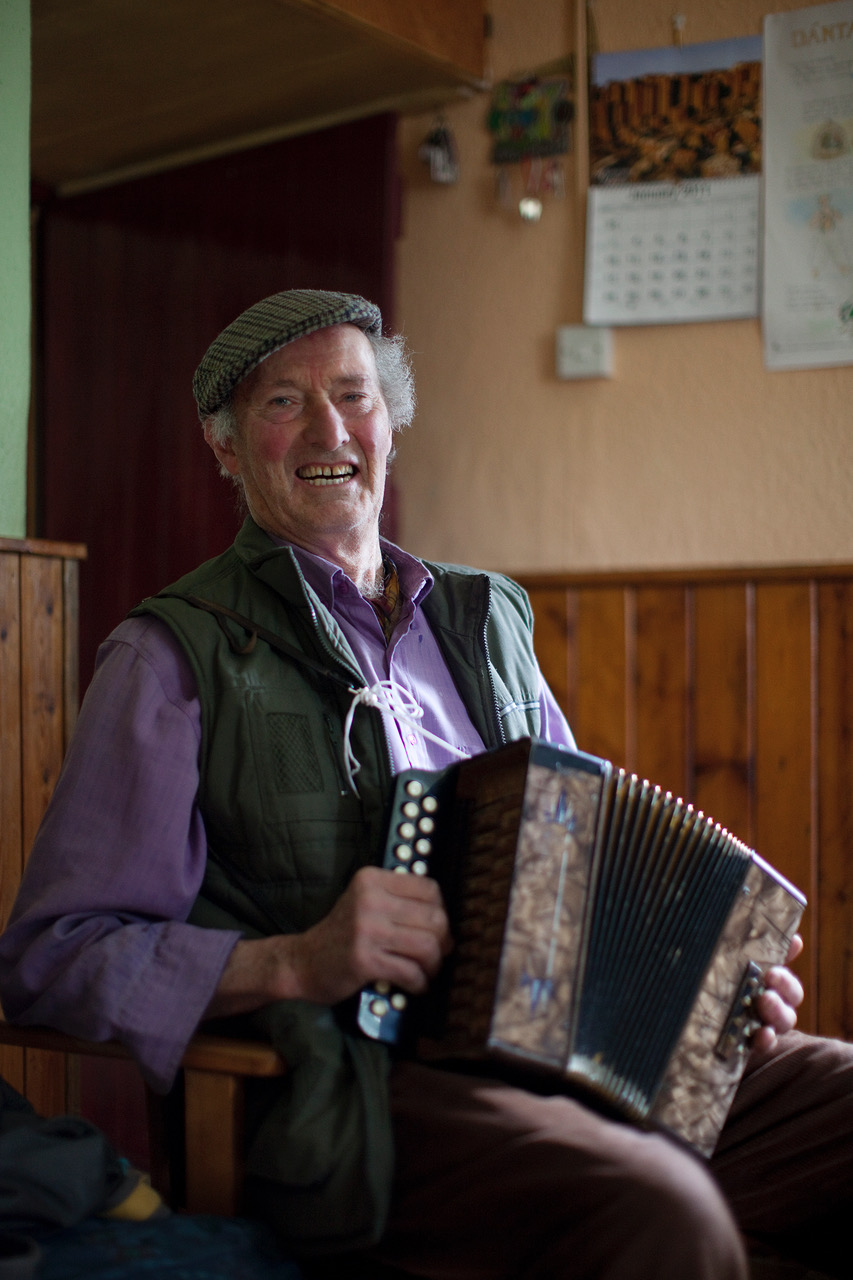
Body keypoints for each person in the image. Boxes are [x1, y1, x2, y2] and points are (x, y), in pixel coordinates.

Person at [0, 289, 850, 1280]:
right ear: (225, 446)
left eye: (353, 395)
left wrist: (700, 986)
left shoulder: (488, 619)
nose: (328, 429)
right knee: (660, 1209)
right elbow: (51, 955)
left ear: (389, 423)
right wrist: (294, 961)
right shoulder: (169, 657)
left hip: (561, 1055)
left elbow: (579, 866)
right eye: (284, 402)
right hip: (352, 1089)